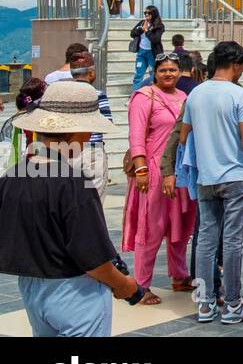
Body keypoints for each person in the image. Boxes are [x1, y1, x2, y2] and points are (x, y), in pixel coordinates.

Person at [0, 81, 146, 335]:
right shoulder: (74, 185)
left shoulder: (11, 177)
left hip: (32, 287)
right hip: (74, 291)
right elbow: (94, 261)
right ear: (81, 131)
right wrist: (125, 285)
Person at [179, 40, 243, 325]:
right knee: (233, 242)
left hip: (206, 176)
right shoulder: (240, 95)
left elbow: (184, 136)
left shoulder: (195, 94)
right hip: (236, 175)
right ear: (237, 65)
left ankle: (204, 305)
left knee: (205, 240)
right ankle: (232, 304)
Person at [122, 53, 196, 304]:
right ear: (155, 72)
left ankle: (179, 275)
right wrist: (141, 169)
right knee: (151, 228)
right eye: (163, 69)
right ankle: (142, 286)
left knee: (180, 226)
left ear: (180, 72)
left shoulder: (184, 97)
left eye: (173, 70)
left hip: (179, 170)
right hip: (153, 170)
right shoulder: (144, 97)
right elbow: (136, 136)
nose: (168, 74)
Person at [69, 60, 113, 199]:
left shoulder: (65, 93)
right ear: (91, 73)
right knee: (93, 196)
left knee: (72, 196)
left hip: (68, 150)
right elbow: (107, 123)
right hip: (92, 150)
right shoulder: (97, 94)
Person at [130, 5, 165, 91]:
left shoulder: (159, 26)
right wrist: (140, 30)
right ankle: (135, 95)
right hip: (141, 52)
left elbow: (156, 39)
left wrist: (146, 31)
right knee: (138, 74)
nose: (146, 15)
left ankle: (154, 93)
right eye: (145, 13)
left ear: (153, 14)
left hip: (152, 53)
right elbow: (132, 33)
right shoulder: (142, 22)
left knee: (153, 75)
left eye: (148, 13)